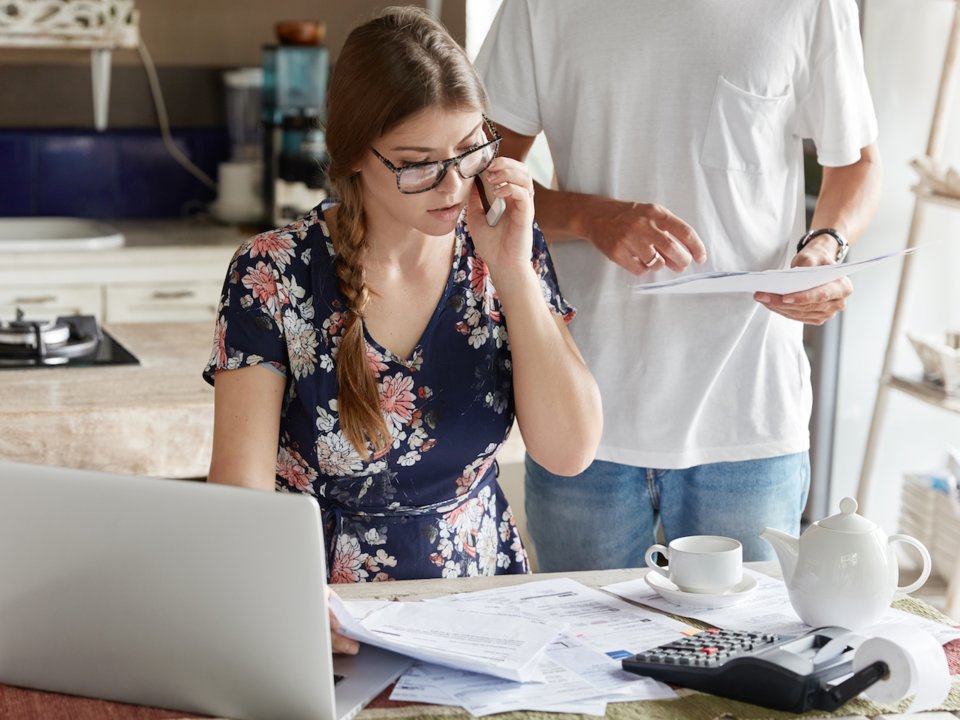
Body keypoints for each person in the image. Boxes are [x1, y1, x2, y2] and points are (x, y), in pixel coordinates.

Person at [203, 7, 600, 593]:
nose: (453, 184)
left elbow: (570, 452)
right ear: (355, 155)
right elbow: (240, 489)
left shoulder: (506, 247)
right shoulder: (271, 272)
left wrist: (514, 272)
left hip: (479, 602)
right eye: (418, 165)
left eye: (469, 150)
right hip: (324, 607)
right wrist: (286, 607)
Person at [475, 0, 882, 568]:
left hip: (748, 418)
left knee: (744, 652)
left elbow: (857, 161)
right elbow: (478, 176)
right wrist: (592, 216)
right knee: (577, 650)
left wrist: (826, 247)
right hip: (583, 413)